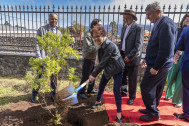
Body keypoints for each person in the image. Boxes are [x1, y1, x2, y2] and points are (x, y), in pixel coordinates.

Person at [139, 2, 177, 121]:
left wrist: (156, 67)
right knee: (157, 87)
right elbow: (154, 44)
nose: (147, 17)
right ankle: (152, 107)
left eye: (149, 14)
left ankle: (153, 113)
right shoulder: (159, 23)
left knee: (145, 86)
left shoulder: (166, 24)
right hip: (158, 62)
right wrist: (146, 58)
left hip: (160, 64)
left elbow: (166, 50)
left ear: (158, 12)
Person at [89, 25, 125, 123]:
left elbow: (103, 62)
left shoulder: (110, 45)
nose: (96, 39)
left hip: (117, 68)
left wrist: (93, 74)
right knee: (101, 85)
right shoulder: (99, 45)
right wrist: (95, 72)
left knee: (116, 90)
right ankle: (98, 101)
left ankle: (119, 113)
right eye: (94, 37)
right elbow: (101, 62)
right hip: (108, 68)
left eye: (98, 36)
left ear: (103, 35)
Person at [31, 13, 61, 103]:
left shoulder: (59, 32)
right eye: (52, 19)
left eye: (55, 19)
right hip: (43, 58)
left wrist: (57, 59)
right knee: (39, 77)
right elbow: (37, 44)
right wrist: (39, 57)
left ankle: (53, 95)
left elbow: (59, 47)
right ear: (48, 20)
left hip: (53, 60)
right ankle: (34, 95)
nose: (54, 21)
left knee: (53, 78)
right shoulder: (42, 29)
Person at [119, 10, 144, 105]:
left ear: (130, 17)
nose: (123, 18)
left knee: (132, 78)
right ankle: (124, 91)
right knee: (123, 75)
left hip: (133, 58)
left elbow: (138, 45)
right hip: (122, 55)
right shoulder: (124, 28)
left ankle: (132, 97)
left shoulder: (138, 28)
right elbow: (122, 42)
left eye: (124, 17)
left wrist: (129, 56)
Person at [165, 14, 189, 108]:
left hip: (186, 57)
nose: (187, 21)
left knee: (180, 79)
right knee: (171, 76)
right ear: (182, 21)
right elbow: (173, 43)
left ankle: (179, 100)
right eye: (186, 20)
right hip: (175, 56)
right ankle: (169, 94)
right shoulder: (177, 30)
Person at [77, 19, 102, 99]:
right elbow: (90, 48)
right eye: (99, 25)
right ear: (93, 26)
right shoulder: (88, 35)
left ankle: (90, 89)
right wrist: (99, 45)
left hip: (94, 59)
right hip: (88, 59)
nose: (100, 27)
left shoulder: (97, 34)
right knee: (85, 77)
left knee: (93, 75)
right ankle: (81, 92)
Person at [173, 25, 189, 122]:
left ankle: (187, 114)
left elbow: (179, 46)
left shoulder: (186, 29)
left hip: (188, 64)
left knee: (187, 89)